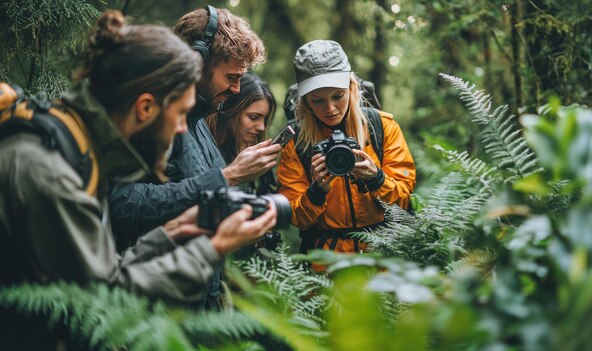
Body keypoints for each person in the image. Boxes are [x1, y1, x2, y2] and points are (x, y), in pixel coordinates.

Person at [0, 11, 277, 348]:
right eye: (178, 116)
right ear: (146, 108)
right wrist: (212, 247)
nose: (181, 129)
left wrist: (173, 233)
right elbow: (105, 298)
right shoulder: (50, 170)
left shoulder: (77, 148)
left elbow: (101, 271)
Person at [108, 5, 282, 309]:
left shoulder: (200, 122)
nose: (237, 88)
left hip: (201, 306)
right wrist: (229, 176)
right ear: (197, 62)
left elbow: (196, 198)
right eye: (231, 76)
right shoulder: (152, 118)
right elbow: (124, 206)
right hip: (153, 309)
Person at [277, 40, 416, 259]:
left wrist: (376, 179)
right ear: (305, 101)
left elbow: (405, 201)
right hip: (326, 265)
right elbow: (296, 217)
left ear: (351, 88)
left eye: (337, 96)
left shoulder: (382, 128)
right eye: (317, 100)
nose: (330, 109)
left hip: (384, 256)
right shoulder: (298, 144)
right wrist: (316, 192)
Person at [206, 72, 278, 195]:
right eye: (254, 117)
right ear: (232, 110)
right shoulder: (202, 149)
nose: (262, 127)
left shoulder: (247, 154)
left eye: (265, 119)